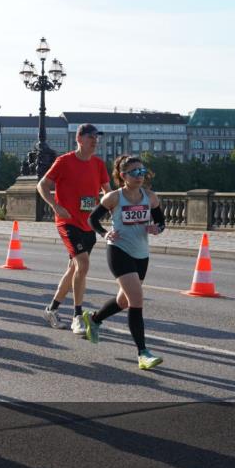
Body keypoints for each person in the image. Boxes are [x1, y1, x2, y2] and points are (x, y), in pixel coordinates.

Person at [83, 156, 166, 370]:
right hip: (119, 251)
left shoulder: (150, 197)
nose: (140, 176)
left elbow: (161, 222)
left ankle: (94, 319)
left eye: (142, 171)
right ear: (123, 176)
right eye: (134, 172)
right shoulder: (113, 197)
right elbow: (92, 219)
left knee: (124, 301)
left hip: (141, 254)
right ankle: (143, 353)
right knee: (137, 299)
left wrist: (157, 229)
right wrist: (104, 234)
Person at [37, 123, 111, 335]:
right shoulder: (64, 161)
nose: (95, 141)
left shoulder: (98, 164)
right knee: (83, 264)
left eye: (97, 137)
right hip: (67, 222)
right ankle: (77, 316)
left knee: (74, 269)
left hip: (88, 223)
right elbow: (42, 185)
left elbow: (108, 192)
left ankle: (51, 310)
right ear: (79, 139)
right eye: (91, 137)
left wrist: (117, 211)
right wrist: (55, 205)